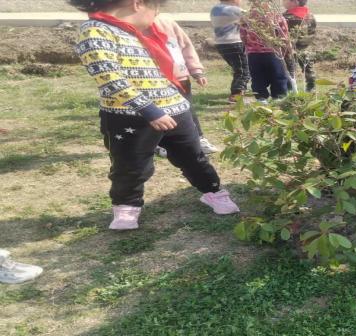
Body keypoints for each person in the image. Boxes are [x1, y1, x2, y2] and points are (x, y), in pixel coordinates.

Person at [70, 0, 240, 230]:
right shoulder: (95, 31)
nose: (157, 15)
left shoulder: (136, 32)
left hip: (176, 108)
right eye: (156, 9)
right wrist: (149, 110)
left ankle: (213, 191)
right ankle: (126, 206)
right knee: (130, 163)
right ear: (137, 3)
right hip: (129, 116)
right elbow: (108, 76)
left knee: (193, 155)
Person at [155, 15, 220, 156]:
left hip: (180, 77)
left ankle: (198, 138)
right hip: (154, 80)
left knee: (187, 109)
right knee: (159, 112)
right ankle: (159, 143)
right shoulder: (132, 23)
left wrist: (196, 71)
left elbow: (186, 46)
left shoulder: (167, 22)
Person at [240, 0, 293, 102]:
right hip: (273, 52)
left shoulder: (247, 17)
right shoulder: (276, 16)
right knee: (278, 76)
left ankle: (261, 98)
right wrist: (288, 48)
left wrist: (247, 46)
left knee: (257, 77)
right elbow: (284, 34)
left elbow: (242, 35)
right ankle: (279, 98)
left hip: (254, 54)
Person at [210, 0, 251, 102]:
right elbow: (252, 19)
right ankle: (236, 94)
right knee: (243, 70)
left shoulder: (215, 9)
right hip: (234, 42)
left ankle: (240, 88)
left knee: (238, 68)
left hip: (221, 44)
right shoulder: (234, 10)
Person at [282, 0, 317, 92]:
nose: (282, 1)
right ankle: (311, 86)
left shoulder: (288, 17)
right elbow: (313, 32)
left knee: (289, 68)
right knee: (308, 67)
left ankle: (289, 88)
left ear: (295, 2)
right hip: (306, 47)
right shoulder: (310, 15)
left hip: (290, 48)